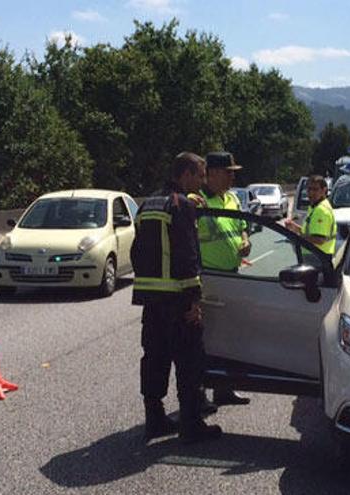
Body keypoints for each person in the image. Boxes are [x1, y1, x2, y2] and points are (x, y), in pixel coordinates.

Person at [130, 152, 221, 444]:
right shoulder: (181, 206)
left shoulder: (147, 205)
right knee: (189, 362)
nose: (202, 181)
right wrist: (195, 300)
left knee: (154, 359)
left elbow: (136, 252)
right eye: (199, 175)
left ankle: (154, 419)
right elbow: (187, 255)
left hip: (150, 299)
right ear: (185, 175)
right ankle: (191, 425)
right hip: (178, 299)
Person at [193, 151, 252, 408]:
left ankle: (224, 390)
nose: (232, 177)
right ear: (212, 173)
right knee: (204, 339)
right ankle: (198, 394)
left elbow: (242, 229)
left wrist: (246, 240)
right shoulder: (197, 202)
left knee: (229, 337)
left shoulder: (231, 199)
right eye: (228, 173)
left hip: (232, 277)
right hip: (209, 278)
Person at [286, 175, 336, 258]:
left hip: (317, 257)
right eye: (309, 189)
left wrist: (297, 236)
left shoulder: (321, 210)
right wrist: (294, 227)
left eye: (315, 189)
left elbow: (319, 239)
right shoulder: (315, 207)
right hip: (316, 255)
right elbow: (311, 233)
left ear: (324, 190)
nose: (311, 193)